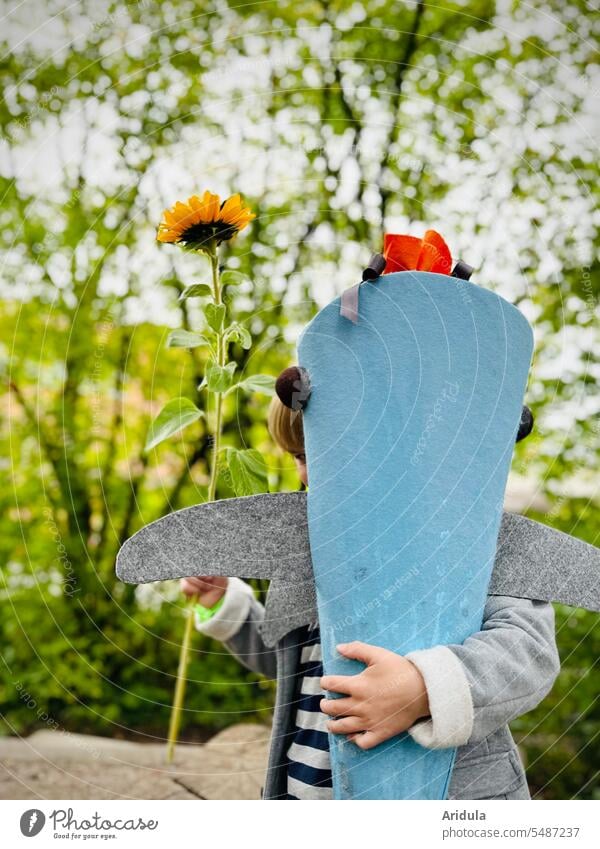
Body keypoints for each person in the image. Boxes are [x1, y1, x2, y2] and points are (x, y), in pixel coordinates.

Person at [181, 397, 560, 801]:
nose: (314, 472)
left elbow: (528, 651)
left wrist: (421, 688)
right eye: (301, 454)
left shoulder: (473, 537)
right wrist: (226, 604)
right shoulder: (314, 547)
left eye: (338, 450)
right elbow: (297, 666)